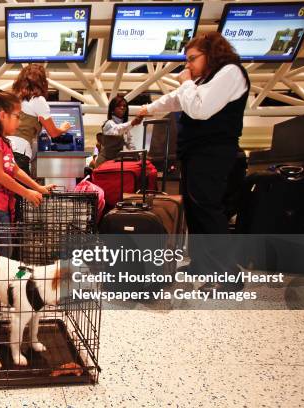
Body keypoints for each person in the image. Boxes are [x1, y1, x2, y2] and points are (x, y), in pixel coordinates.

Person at [139, 32, 250, 295]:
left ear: (211, 53)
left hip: (213, 151)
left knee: (208, 209)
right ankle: (202, 264)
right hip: (196, 151)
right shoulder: (205, 79)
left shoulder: (231, 72)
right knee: (194, 208)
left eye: (192, 59)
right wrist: (148, 108)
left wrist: (187, 82)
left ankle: (228, 276)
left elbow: (200, 109)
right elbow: (176, 100)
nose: (187, 65)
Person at [0, 91, 55, 255]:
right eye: (17, 116)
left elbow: (14, 169)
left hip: (0, 201)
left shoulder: (3, 141)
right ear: (2, 115)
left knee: (5, 249)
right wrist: (27, 192)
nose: (19, 122)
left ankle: (3, 279)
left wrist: (38, 188)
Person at [11, 64, 71, 171]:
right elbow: (53, 132)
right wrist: (63, 128)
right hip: (19, 152)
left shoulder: (14, 97)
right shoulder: (38, 100)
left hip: (5, 149)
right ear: (42, 81)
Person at [95, 96, 143, 167]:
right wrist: (132, 122)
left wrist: (138, 156)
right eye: (119, 106)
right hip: (104, 163)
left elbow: (130, 143)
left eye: (124, 106)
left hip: (115, 163)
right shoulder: (109, 123)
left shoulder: (125, 127)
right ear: (112, 109)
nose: (122, 108)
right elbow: (117, 130)